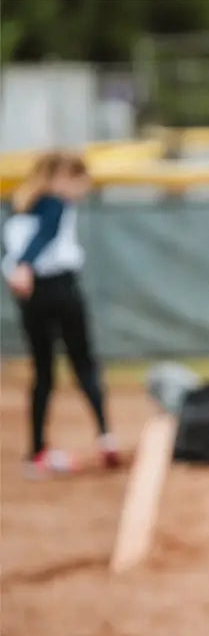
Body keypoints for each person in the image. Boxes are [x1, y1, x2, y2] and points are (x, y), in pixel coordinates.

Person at [2, 151, 118, 476]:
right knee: (83, 364)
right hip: (59, 289)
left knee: (43, 373)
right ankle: (106, 436)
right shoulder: (54, 203)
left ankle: (37, 450)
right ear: (61, 177)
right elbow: (47, 233)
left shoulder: (19, 207)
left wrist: (18, 267)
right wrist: (25, 263)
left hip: (31, 296)